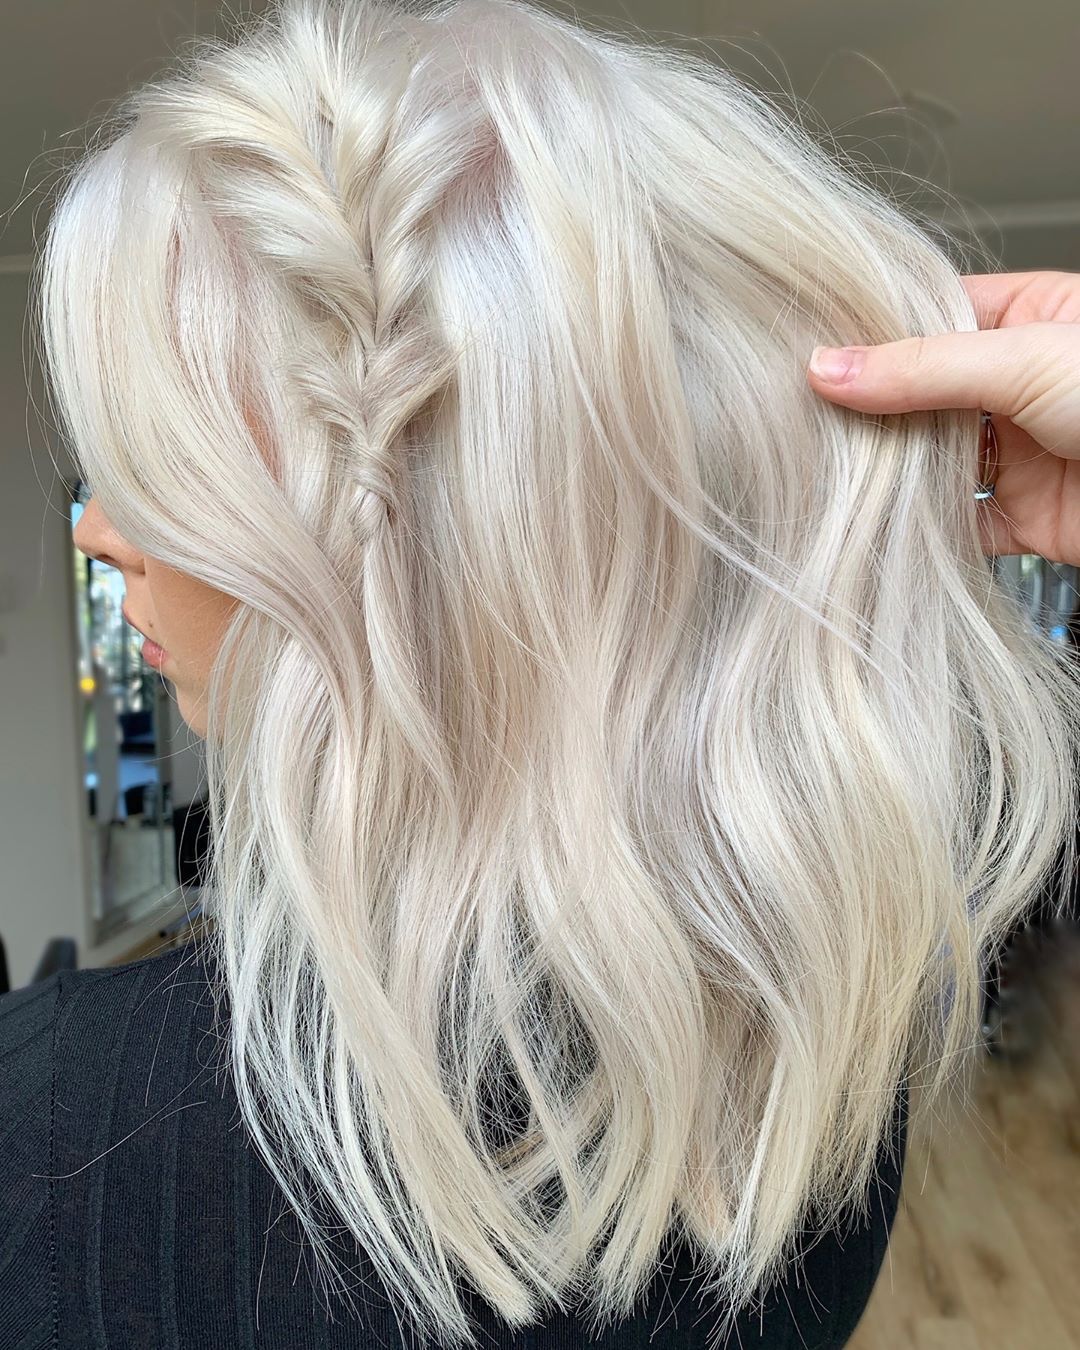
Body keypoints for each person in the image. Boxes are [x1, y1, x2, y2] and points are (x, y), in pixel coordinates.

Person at [4, 1, 1080, 1346]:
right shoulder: (811, 1069)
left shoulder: (47, 1138)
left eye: (167, 467)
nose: (98, 531)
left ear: (442, 542)